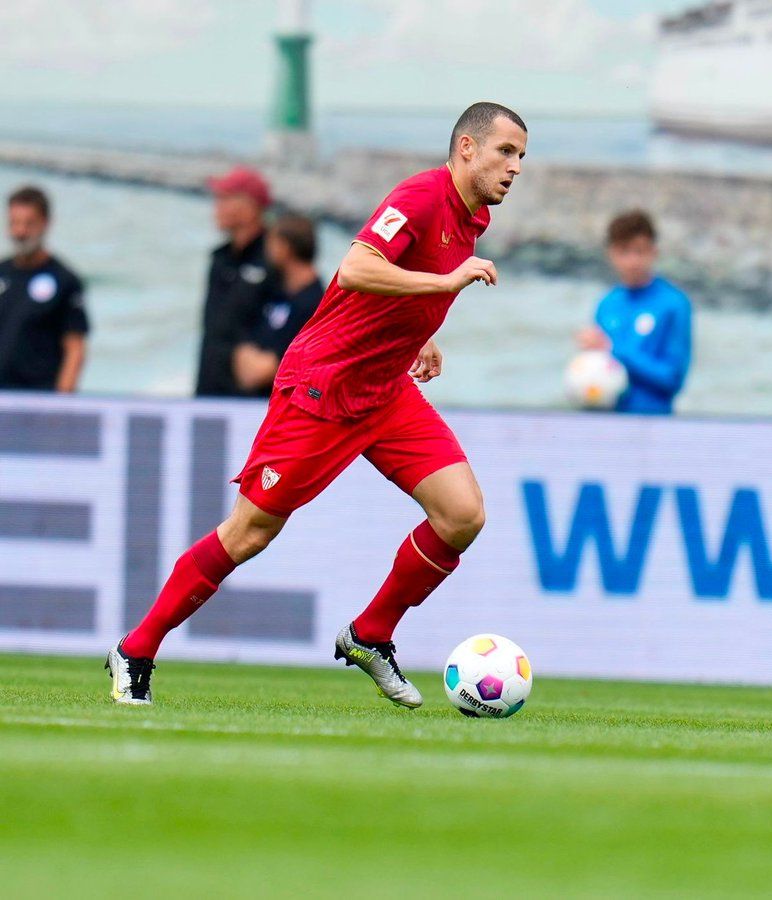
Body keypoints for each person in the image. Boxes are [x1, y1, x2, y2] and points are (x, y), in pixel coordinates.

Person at [106, 101, 528, 708]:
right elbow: (357, 268)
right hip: (322, 388)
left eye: (520, 157)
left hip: (385, 389)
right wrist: (444, 285)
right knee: (248, 533)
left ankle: (370, 634)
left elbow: (405, 277)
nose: (514, 167)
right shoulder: (419, 196)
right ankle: (136, 648)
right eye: (505, 152)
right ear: (467, 148)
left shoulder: (474, 215)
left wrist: (422, 330)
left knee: (462, 515)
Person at [577, 210, 691, 414]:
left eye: (640, 251)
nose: (633, 261)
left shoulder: (675, 304)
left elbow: (673, 379)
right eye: (624, 251)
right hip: (607, 422)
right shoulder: (607, 303)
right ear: (611, 254)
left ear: (654, 252)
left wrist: (613, 349)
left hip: (654, 423)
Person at [196, 166, 277, 397]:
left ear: (250, 207)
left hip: (253, 401)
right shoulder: (219, 259)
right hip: (209, 392)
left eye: (224, 199)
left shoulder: (275, 259)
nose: (216, 207)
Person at [0, 186, 89, 392]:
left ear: (46, 223)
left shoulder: (65, 280)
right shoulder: (2, 272)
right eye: (14, 223)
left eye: (29, 224)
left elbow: (75, 349)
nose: (20, 232)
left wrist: (58, 406)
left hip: (38, 401)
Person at [232, 211, 324, 396]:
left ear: (285, 247)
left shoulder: (315, 304)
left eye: (272, 242)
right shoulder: (275, 295)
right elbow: (245, 362)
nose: (267, 249)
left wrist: (260, 366)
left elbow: (273, 370)